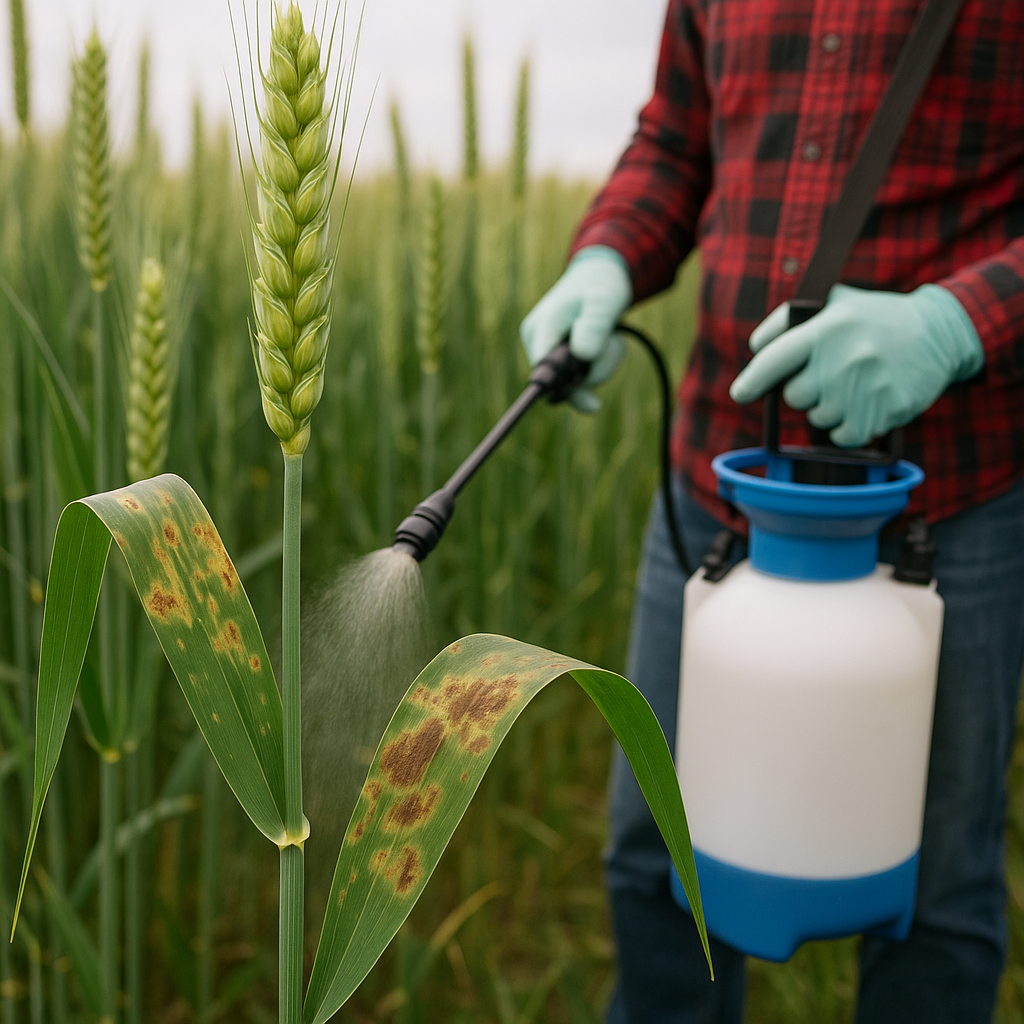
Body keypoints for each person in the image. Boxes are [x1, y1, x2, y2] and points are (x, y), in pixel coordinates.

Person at [519, 2, 1024, 1022]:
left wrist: (958, 323)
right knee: (655, 853)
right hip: (717, 494)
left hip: (950, 503)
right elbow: (676, 139)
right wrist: (606, 256)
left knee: (937, 893)